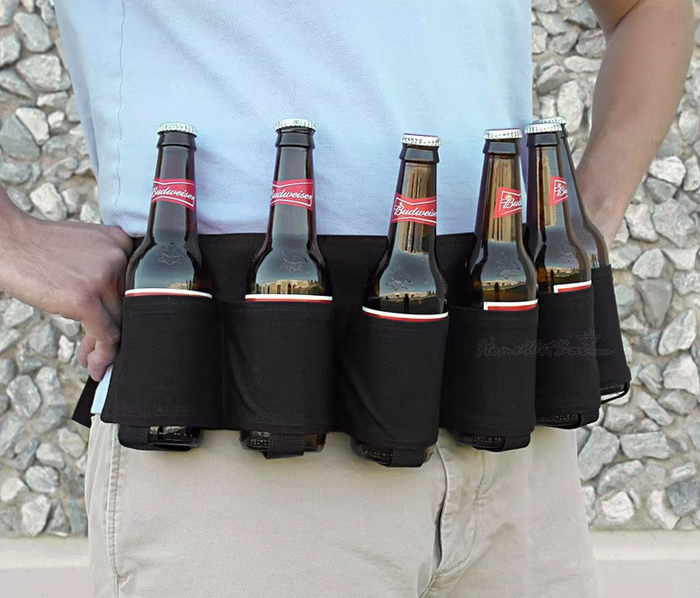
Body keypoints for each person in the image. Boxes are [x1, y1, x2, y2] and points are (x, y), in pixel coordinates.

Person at [0, 1, 692, 596]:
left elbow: (648, 11)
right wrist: (12, 240)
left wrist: (583, 223)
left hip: (511, 448)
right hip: (240, 463)